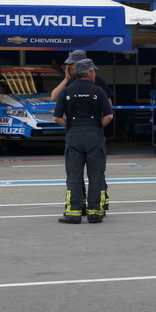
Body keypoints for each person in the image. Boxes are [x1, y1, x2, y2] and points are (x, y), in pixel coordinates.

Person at [51, 49, 114, 212]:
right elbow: (53, 96)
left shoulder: (97, 81)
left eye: (70, 65)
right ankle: (91, 207)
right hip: (91, 131)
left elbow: (56, 115)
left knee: (80, 172)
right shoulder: (70, 83)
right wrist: (65, 79)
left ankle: (83, 207)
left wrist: (72, 125)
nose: (69, 67)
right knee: (93, 171)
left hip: (80, 132)